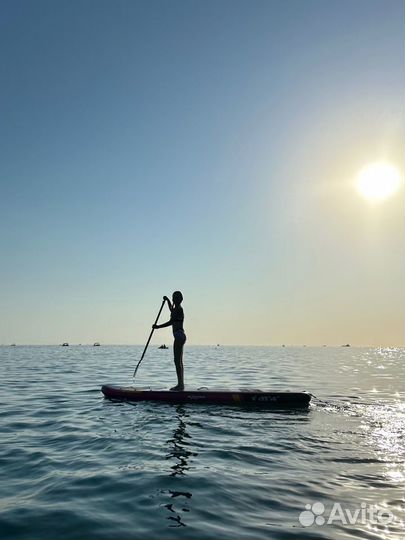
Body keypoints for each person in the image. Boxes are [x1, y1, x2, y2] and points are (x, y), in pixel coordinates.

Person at [153, 291, 186, 391]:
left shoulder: (178, 310)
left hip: (179, 336)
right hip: (180, 335)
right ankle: (181, 384)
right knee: (179, 361)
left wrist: (158, 327)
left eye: (173, 298)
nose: (172, 299)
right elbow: (171, 309)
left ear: (176, 299)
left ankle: (180, 385)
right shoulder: (176, 309)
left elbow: (171, 322)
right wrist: (167, 300)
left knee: (177, 361)